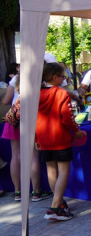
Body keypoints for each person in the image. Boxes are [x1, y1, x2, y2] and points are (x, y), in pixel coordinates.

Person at [37, 63, 84, 221]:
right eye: (62, 77)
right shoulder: (61, 93)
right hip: (60, 137)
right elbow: (67, 117)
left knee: (51, 170)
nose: (64, 79)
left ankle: (59, 203)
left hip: (43, 137)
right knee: (63, 171)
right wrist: (77, 130)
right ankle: (55, 207)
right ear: (54, 77)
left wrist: (35, 138)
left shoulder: (37, 94)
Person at [1, 73, 47, 202]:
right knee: (33, 156)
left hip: (13, 120)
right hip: (29, 120)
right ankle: (36, 192)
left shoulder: (16, 79)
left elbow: (6, 101)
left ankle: (17, 192)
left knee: (15, 156)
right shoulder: (38, 81)